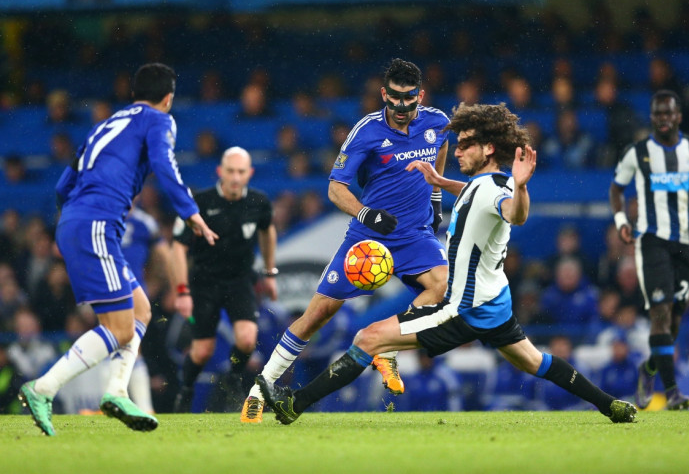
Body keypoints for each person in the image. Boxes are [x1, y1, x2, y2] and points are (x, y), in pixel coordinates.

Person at [257, 102, 637, 425]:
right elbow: (477, 190)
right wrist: (440, 180)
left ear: (489, 148)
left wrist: (522, 187)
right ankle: (610, 406)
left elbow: (515, 213)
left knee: (367, 338)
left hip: (463, 308)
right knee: (535, 361)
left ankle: (295, 404)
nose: (457, 151)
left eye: (466, 146)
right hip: (496, 303)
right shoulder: (482, 183)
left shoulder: (503, 189)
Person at [240, 58, 450, 423]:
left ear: (421, 96)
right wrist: (366, 214)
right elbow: (336, 189)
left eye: (409, 99)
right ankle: (260, 390)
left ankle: (387, 348)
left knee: (442, 288)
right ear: (384, 94)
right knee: (317, 313)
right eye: (395, 99)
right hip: (369, 239)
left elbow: (442, 147)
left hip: (415, 235)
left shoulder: (437, 122)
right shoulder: (366, 131)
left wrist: (435, 196)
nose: (401, 107)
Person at [18, 63, 217, 436]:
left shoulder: (106, 124)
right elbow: (165, 165)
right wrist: (190, 213)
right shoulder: (159, 120)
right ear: (169, 98)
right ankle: (43, 388)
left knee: (140, 309)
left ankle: (116, 390)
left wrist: (76, 214)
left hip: (80, 220)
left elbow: (65, 182)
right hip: (97, 223)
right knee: (120, 328)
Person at [609, 89, 689, 411]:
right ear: (652, 117)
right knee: (659, 314)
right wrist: (622, 220)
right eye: (657, 114)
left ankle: (648, 370)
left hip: (686, 243)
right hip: (651, 242)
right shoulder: (638, 153)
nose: (663, 119)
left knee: (674, 321)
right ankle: (672, 392)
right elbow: (617, 188)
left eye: (668, 113)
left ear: (678, 116)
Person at [170, 146, 277, 413]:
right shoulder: (199, 202)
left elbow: (268, 231)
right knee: (202, 350)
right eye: (230, 171)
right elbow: (178, 248)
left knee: (247, 340)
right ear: (220, 171)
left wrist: (270, 272)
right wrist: (181, 291)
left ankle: (233, 377)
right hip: (204, 282)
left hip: (240, 280)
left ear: (249, 173)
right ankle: (186, 388)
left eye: (241, 172)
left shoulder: (259, 202)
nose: (235, 177)